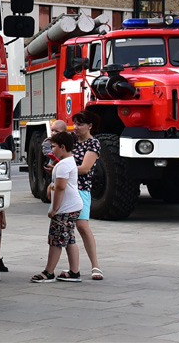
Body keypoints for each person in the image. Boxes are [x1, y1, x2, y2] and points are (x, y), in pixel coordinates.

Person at [32, 131, 83, 283]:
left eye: (53, 147)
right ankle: (74, 271)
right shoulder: (68, 162)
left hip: (65, 208)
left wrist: (54, 209)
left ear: (62, 147)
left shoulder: (63, 165)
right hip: (73, 206)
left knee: (56, 240)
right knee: (69, 239)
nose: (51, 150)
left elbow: (60, 188)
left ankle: (49, 272)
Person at [69, 110, 104, 281]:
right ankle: (71, 268)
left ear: (90, 126)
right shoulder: (71, 140)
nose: (76, 127)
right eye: (75, 123)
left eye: (80, 124)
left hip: (81, 189)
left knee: (82, 226)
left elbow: (84, 169)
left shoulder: (93, 144)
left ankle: (95, 265)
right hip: (65, 189)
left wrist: (62, 170)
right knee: (64, 228)